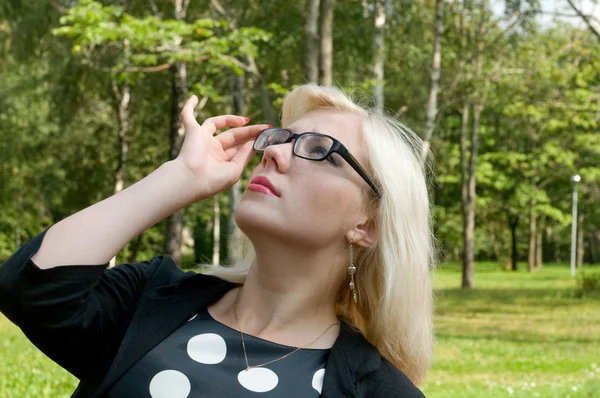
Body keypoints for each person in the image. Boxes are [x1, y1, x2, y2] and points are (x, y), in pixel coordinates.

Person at [0, 84, 435, 397]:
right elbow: (30, 287)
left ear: (368, 224)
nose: (274, 152)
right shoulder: (153, 298)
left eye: (320, 149)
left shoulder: (375, 390)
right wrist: (177, 179)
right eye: (281, 138)